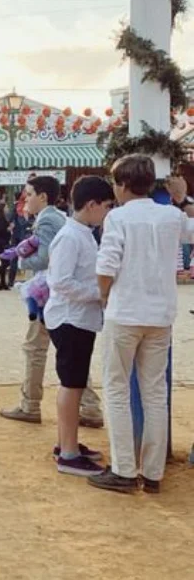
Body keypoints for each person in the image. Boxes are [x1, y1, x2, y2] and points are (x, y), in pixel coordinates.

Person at [88, 157, 194, 494]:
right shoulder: (171, 215)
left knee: (117, 389)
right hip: (160, 315)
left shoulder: (117, 217)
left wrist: (105, 296)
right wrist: (183, 199)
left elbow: (106, 266)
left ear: (120, 185)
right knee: (155, 392)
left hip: (125, 313)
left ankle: (123, 468)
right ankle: (152, 472)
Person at [0, 175, 103, 427]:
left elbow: (46, 259)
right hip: (59, 298)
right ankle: (88, 407)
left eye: (29, 194)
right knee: (69, 353)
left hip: (48, 295)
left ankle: (31, 404)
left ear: (43, 196)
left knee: (36, 349)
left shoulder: (47, 220)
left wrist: (22, 260)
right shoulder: (59, 218)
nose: (26, 200)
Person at [44, 176, 113, 478]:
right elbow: (60, 281)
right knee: (71, 385)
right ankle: (68, 453)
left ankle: (67, 442)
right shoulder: (71, 236)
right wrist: (98, 294)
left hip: (78, 318)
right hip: (71, 318)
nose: (109, 213)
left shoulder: (82, 232)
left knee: (74, 383)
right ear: (91, 205)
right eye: (107, 207)